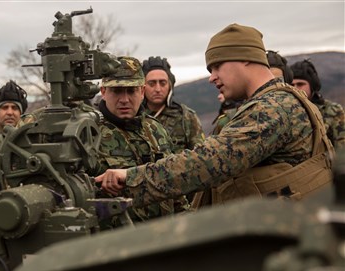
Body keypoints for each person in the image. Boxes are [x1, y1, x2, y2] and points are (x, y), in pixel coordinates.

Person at [95, 23, 334, 211]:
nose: (212, 77)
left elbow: (208, 162)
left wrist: (129, 177)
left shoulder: (272, 109)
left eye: (217, 66)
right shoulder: (284, 98)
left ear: (246, 58)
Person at [91, 56, 187, 226]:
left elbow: (174, 186)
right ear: (104, 92)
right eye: (117, 91)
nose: (125, 99)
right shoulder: (90, 133)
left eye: (131, 91)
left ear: (142, 92)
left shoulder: (155, 129)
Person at [141, 56, 205, 152]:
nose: (158, 89)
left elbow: (199, 155)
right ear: (143, 87)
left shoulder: (186, 117)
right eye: (152, 83)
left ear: (170, 86)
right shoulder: (135, 116)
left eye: (162, 83)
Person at [290, 59, 345, 149]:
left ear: (312, 86)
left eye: (300, 84)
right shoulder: (286, 111)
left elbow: (342, 146)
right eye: (291, 85)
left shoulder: (332, 111)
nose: (295, 89)